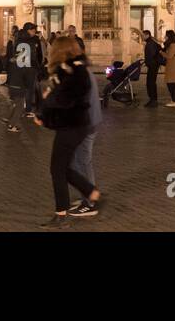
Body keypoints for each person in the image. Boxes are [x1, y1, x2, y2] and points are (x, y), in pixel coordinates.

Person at [35, 35, 102, 229]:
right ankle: (89, 192)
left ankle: (70, 210)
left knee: (65, 166)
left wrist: (47, 105)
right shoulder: (72, 68)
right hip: (78, 124)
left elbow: (66, 101)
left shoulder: (74, 71)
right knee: (64, 166)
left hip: (76, 125)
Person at [68, 37, 103, 217]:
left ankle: (90, 201)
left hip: (85, 124)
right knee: (77, 161)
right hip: (86, 123)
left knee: (81, 161)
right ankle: (87, 194)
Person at [5, 30, 35, 132]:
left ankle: (9, 119)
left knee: (16, 103)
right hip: (19, 86)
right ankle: (11, 125)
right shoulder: (23, 64)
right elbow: (26, 76)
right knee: (19, 106)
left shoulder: (15, 61)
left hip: (13, 85)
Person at [142, 29, 162, 107]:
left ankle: (153, 100)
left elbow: (152, 55)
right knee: (150, 82)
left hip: (153, 66)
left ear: (147, 35)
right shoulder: (150, 42)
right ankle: (152, 99)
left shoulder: (150, 43)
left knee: (150, 83)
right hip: (153, 65)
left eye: (143, 35)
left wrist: (148, 62)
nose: (142, 37)